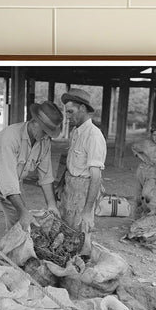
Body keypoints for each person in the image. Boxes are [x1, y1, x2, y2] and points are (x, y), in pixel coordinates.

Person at [0, 100, 63, 263]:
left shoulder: (44, 142)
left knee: (21, 226)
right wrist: (24, 211)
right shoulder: (12, 136)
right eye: (45, 131)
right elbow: (7, 178)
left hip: (15, 182)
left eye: (49, 132)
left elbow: (45, 175)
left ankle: (10, 262)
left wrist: (52, 205)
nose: (46, 135)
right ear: (34, 123)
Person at [59, 88, 107, 253]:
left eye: (71, 111)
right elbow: (70, 161)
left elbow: (96, 177)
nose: (67, 116)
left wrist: (87, 211)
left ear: (83, 109)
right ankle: (65, 262)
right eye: (67, 112)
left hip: (83, 190)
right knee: (65, 227)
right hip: (69, 185)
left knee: (80, 232)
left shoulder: (93, 136)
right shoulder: (75, 132)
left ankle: (80, 266)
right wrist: (61, 184)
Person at [132, 124, 156, 218]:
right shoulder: (145, 143)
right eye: (154, 135)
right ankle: (136, 218)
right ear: (151, 135)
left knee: (146, 194)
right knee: (138, 195)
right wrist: (141, 157)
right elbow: (134, 147)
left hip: (153, 173)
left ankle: (146, 212)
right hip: (141, 171)